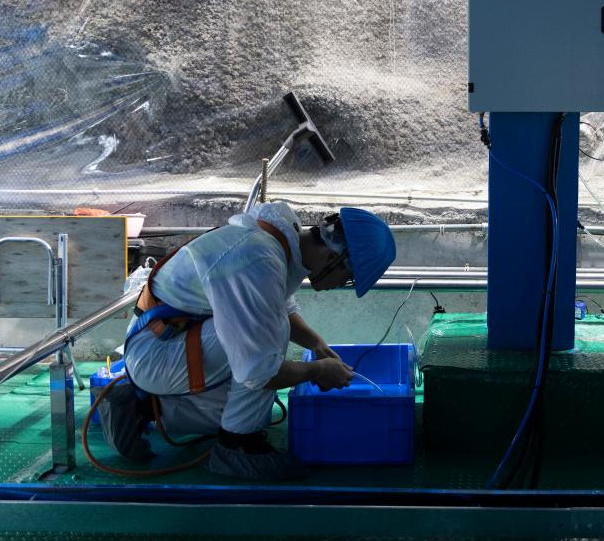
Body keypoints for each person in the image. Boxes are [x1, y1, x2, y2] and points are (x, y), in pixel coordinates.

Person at [102, 201, 396, 480]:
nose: (339, 287)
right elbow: (260, 371)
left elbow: (281, 305)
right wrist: (318, 371)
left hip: (169, 340)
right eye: (348, 279)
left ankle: (142, 407)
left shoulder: (280, 242)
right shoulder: (257, 258)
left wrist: (317, 346)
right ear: (336, 260)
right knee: (265, 347)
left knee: (247, 405)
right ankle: (236, 448)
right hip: (156, 353)